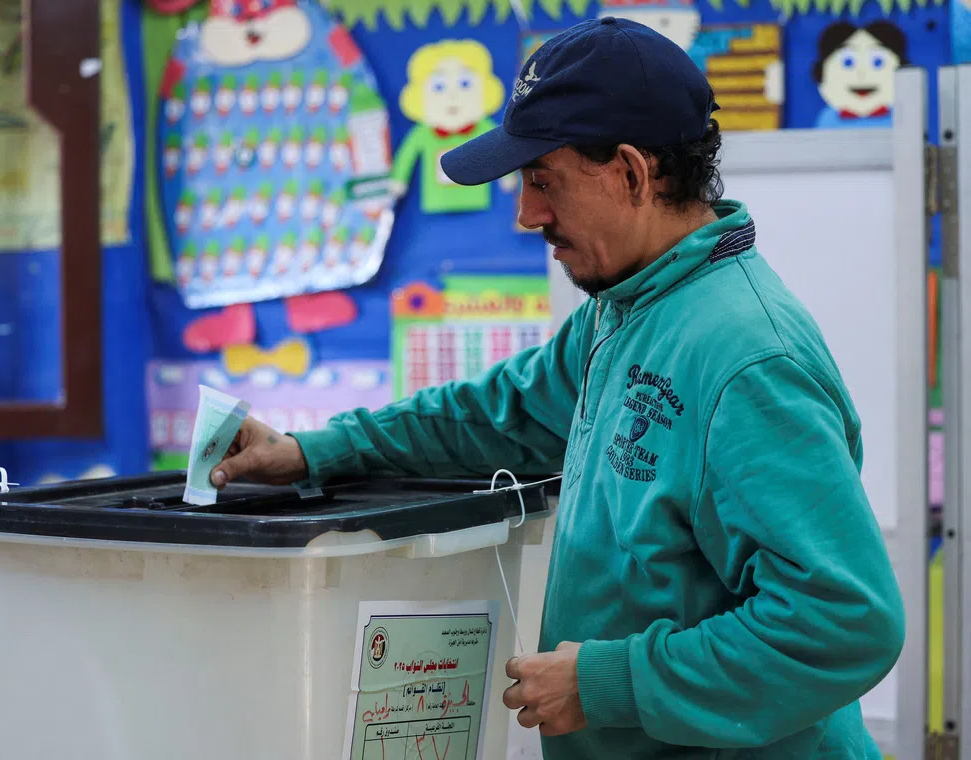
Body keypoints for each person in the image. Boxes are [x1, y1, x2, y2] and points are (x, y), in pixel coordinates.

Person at [210, 16, 905, 759]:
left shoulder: (746, 359)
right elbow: (494, 417)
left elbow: (844, 621)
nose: (525, 213)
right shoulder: (626, 308)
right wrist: (313, 452)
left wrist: (613, 682)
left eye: (543, 182)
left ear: (633, 174)